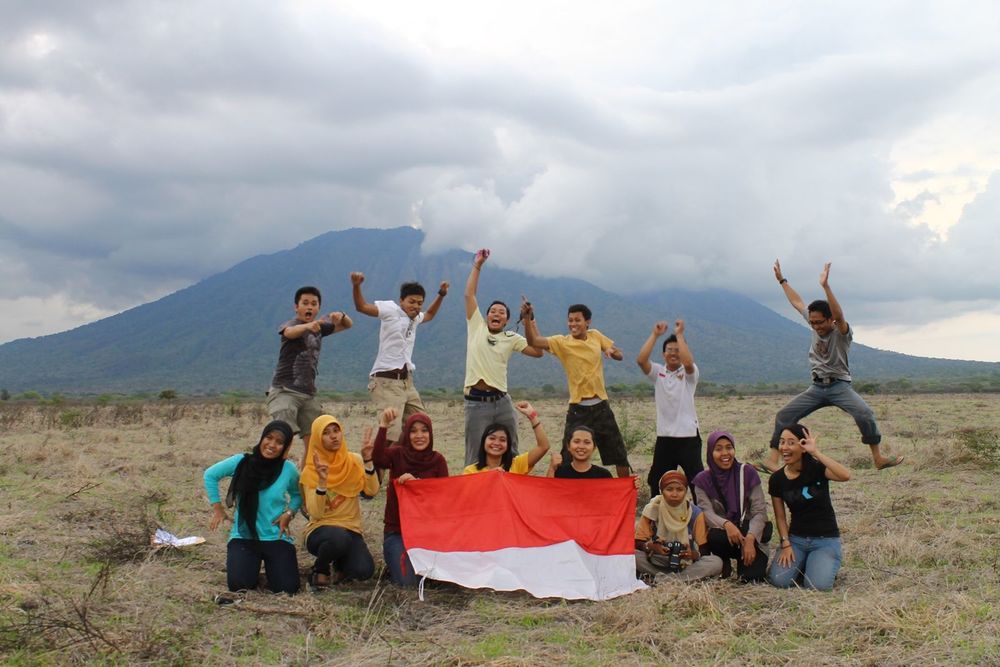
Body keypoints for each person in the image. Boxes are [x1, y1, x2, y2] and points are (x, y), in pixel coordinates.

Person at [766, 261, 902, 472]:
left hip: (839, 387)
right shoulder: (813, 322)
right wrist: (782, 281)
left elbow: (840, 316)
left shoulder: (841, 332)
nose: (816, 326)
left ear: (830, 320)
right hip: (817, 388)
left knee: (864, 414)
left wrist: (826, 287)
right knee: (784, 415)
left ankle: (878, 458)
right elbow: (797, 302)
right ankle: (772, 462)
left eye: (820, 322)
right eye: (813, 323)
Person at [521, 299, 632, 478]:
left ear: (587, 322)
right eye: (570, 320)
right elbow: (533, 340)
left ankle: (626, 497)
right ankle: (563, 496)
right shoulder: (561, 342)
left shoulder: (596, 336)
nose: (573, 324)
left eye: (577, 320)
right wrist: (527, 318)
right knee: (567, 457)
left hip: (601, 407)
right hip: (578, 410)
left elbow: (618, 354)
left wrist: (612, 352)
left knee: (619, 454)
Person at [462, 249, 543, 465]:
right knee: (474, 454)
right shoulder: (476, 326)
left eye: (501, 313)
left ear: (507, 320)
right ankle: (473, 495)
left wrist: (529, 320)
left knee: (511, 451)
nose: (496, 314)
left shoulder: (511, 337)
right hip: (476, 402)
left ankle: (510, 491)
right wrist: (477, 265)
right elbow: (469, 295)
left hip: (502, 402)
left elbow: (537, 351)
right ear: (486, 315)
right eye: (493, 311)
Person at [203, 420, 302, 594]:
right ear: (262, 437)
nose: (272, 445)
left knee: (288, 589)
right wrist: (218, 509)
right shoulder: (242, 461)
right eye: (269, 438)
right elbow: (210, 475)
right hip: (244, 536)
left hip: (276, 536)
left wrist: (289, 513)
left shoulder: (288, 469)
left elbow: (297, 494)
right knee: (239, 585)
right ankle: (251, 567)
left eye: (279, 442)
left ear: (285, 447)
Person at [351, 272, 448, 442]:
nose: (416, 306)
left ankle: (407, 465)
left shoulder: (416, 319)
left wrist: (441, 295)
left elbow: (430, 314)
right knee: (391, 434)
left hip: (407, 383)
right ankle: (378, 466)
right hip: (387, 380)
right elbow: (362, 307)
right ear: (401, 300)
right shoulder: (390, 310)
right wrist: (356, 285)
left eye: (419, 303)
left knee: (421, 426)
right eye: (411, 302)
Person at [266, 286, 353, 460]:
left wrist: (342, 316)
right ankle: (274, 481)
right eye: (305, 303)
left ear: (319, 308)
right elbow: (289, 333)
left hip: (307, 394)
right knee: (283, 438)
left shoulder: (320, 328)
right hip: (285, 390)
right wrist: (308, 326)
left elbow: (347, 325)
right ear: (296, 307)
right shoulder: (291, 324)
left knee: (315, 443)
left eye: (314, 304)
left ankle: (306, 484)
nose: (309, 307)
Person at [370, 409, 449, 586]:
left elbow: (443, 497)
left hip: (428, 534)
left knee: (441, 579)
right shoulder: (398, 454)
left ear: (431, 433)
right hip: (397, 533)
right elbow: (378, 458)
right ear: (406, 434)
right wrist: (383, 426)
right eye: (413, 431)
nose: (419, 436)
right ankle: (397, 564)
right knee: (408, 584)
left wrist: (418, 485)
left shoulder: (438, 461)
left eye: (424, 430)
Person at [299, 415, 379, 590]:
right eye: (326, 433)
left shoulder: (354, 461)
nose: (334, 436)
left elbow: (372, 490)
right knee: (338, 538)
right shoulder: (312, 469)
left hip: (351, 530)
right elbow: (316, 513)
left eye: (336, 431)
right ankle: (320, 570)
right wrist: (322, 483)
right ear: (318, 439)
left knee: (363, 571)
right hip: (320, 532)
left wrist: (368, 461)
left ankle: (340, 565)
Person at [768, 424, 851, 591]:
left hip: (825, 540)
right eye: (782, 442)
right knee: (779, 580)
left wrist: (816, 453)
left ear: (803, 446)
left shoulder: (818, 469)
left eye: (791, 442)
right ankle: (808, 563)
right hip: (796, 540)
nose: (785, 447)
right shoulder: (776, 479)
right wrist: (785, 544)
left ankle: (821, 563)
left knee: (816, 586)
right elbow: (780, 517)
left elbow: (845, 475)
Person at [636, 319, 702, 498]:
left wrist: (680, 334)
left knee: (698, 482)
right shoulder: (659, 372)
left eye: (678, 350)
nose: (673, 353)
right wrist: (655, 335)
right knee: (656, 480)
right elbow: (641, 360)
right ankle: (656, 520)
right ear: (663, 354)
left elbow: (688, 363)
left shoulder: (689, 374)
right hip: (665, 437)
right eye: (669, 350)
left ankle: (704, 520)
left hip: (688, 437)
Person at [692, 431, 769, 582]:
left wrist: (750, 539)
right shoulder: (702, 481)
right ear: (710, 452)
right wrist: (726, 524)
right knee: (714, 537)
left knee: (752, 578)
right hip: (723, 535)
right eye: (718, 449)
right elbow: (706, 512)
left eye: (729, 447)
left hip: (749, 531)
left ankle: (745, 559)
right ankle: (723, 559)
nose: (725, 453)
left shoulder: (747, 473)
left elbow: (759, 511)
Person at [634, 468, 723, 582]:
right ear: (662, 491)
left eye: (680, 489)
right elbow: (638, 542)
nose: (674, 494)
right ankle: (679, 580)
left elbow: (704, 550)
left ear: (686, 491)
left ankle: (665, 579)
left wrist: (692, 554)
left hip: (685, 565)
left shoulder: (695, 513)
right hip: (657, 561)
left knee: (716, 562)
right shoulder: (652, 510)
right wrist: (652, 547)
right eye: (669, 489)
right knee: (633, 556)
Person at [463, 400, 550, 474]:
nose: (497, 443)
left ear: (508, 445)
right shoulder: (471, 471)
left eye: (502, 440)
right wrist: (490, 475)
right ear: (483, 442)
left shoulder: (516, 465)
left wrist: (532, 416)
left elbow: (543, 447)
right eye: (492, 438)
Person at [547, 426, 613, 479]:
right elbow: (548, 493)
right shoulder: (559, 473)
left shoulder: (604, 476)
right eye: (576, 441)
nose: (581, 446)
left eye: (587, 442)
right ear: (568, 446)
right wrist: (551, 468)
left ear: (594, 448)